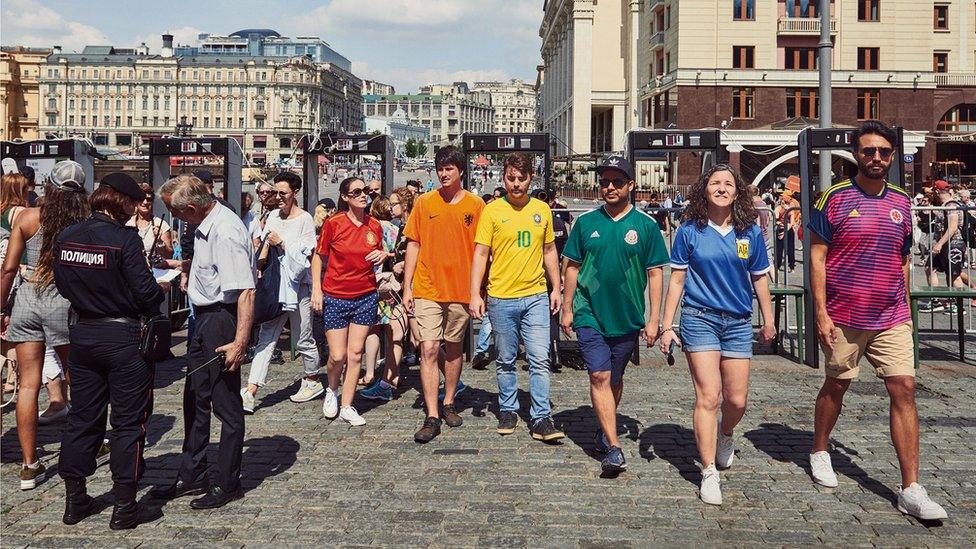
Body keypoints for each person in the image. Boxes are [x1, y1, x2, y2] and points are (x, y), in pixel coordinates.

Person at [806, 120, 947, 521]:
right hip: (845, 314)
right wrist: (821, 312)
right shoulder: (831, 198)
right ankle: (819, 448)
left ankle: (911, 488)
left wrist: (904, 301)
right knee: (837, 384)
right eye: (869, 151)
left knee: (904, 387)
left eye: (884, 152)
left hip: (891, 315)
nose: (877, 159)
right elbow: (817, 257)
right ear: (856, 154)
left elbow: (903, 258)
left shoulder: (902, 201)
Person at [52, 172, 167, 529]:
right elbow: (147, 292)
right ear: (122, 202)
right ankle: (124, 505)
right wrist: (156, 292)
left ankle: (75, 498)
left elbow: (62, 283)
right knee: (129, 422)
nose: (136, 210)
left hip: (84, 333)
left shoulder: (66, 236)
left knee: (82, 417)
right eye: (133, 203)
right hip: (124, 338)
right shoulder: (125, 240)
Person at [659, 164, 776, 506]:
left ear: (737, 192)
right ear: (704, 189)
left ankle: (726, 433)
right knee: (709, 396)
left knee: (736, 401)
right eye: (715, 183)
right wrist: (668, 325)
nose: (722, 188)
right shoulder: (689, 231)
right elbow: (677, 280)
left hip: (738, 322)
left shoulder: (749, 232)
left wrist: (767, 319)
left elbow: (759, 279)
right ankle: (708, 470)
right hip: (700, 319)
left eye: (728, 183)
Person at [152, 174, 255, 510]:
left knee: (225, 404)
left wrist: (239, 342)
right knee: (194, 396)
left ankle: (228, 482)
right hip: (204, 316)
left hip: (221, 319)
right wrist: (182, 269)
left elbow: (245, 291)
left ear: (193, 207)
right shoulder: (205, 222)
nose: (175, 219)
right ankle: (192, 471)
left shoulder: (225, 231)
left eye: (177, 213)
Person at [561, 155, 669, 474]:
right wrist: (567, 308)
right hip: (588, 311)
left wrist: (653, 319)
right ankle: (614, 448)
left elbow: (655, 274)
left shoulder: (646, 227)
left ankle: (604, 428)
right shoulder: (586, 224)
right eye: (605, 181)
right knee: (599, 375)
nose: (609, 187)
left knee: (615, 378)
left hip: (626, 314)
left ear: (630, 186)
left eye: (617, 182)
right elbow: (572, 268)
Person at [0, 161, 91, 491]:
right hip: (65, 302)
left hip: (28, 300)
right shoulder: (83, 221)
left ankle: (29, 465)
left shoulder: (26, 218)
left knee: (27, 384)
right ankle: (90, 442)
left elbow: (9, 270)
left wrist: (0, 309)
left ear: (49, 187)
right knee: (77, 377)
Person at [469, 152, 564, 441]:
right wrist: (475, 293)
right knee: (506, 358)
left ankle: (541, 417)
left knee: (539, 358)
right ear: (504, 178)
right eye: (511, 178)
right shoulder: (493, 211)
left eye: (521, 179)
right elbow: (481, 254)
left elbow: (549, 251)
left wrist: (556, 287)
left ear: (530, 179)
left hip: (535, 294)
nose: (516, 184)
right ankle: (508, 408)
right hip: (501, 296)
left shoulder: (542, 210)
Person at [403, 145, 485, 443]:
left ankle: (449, 399)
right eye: (440, 168)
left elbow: (482, 250)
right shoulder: (424, 203)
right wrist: (407, 285)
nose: (444, 173)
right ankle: (432, 413)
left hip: (461, 289)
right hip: (427, 287)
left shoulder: (476, 206)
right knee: (428, 348)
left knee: (453, 349)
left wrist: (479, 290)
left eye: (449, 168)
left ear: (461, 171)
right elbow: (413, 243)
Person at [241, 172, 320, 413]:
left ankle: (312, 379)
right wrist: (259, 264)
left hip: (299, 288)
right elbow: (264, 247)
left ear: (295, 193)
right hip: (276, 286)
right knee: (267, 336)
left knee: (303, 337)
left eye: (283, 193)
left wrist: (282, 243)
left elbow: (308, 255)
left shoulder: (305, 219)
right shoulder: (273, 215)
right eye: (276, 192)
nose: (278, 197)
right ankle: (251, 389)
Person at [311, 177, 385, 426]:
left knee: (355, 354)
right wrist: (317, 290)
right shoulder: (334, 224)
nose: (363, 195)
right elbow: (318, 257)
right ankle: (332, 389)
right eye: (356, 192)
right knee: (337, 355)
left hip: (365, 295)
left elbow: (380, 252)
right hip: (336, 295)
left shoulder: (374, 226)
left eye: (365, 191)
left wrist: (384, 253)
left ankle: (347, 405)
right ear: (345, 197)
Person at [919, 180, 975, 313]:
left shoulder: (952, 205)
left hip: (953, 244)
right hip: (945, 245)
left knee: (953, 274)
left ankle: (958, 306)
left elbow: (953, 227)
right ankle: (936, 300)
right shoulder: (946, 204)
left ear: (937, 191)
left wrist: (939, 243)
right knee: (930, 268)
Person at [128, 182, 173, 260]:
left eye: (149, 199)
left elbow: (169, 255)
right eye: (141, 199)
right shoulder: (128, 223)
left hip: (153, 269)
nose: (145, 202)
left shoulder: (161, 224)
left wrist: (160, 241)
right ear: (135, 201)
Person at [774, 190, 799, 274]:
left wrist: (782, 227)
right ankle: (791, 267)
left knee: (782, 248)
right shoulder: (789, 208)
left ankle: (783, 266)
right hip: (788, 228)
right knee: (788, 248)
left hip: (783, 228)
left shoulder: (784, 208)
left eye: (783, 196)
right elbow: (791, 222)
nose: (781, 197)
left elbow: (776, 219)